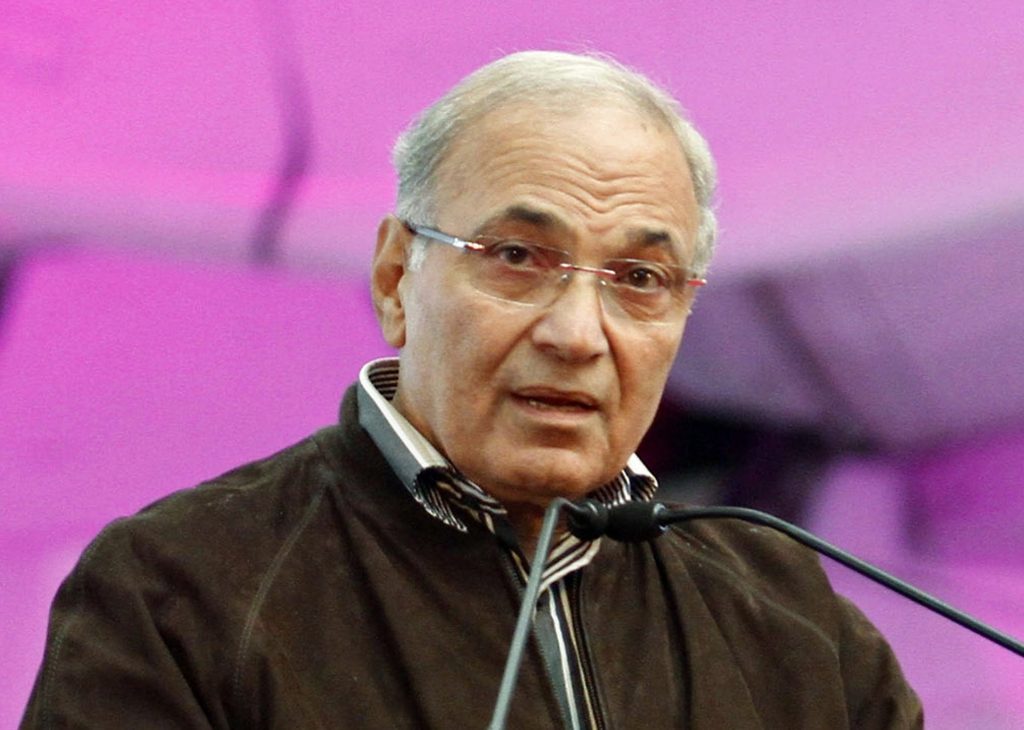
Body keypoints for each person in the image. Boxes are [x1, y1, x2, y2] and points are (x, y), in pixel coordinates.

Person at [22, 50, 922, 729]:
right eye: (518, 257)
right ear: (394, 277)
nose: (578, 334)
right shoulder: (180, 593)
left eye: (640, 279)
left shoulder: (786, 611)